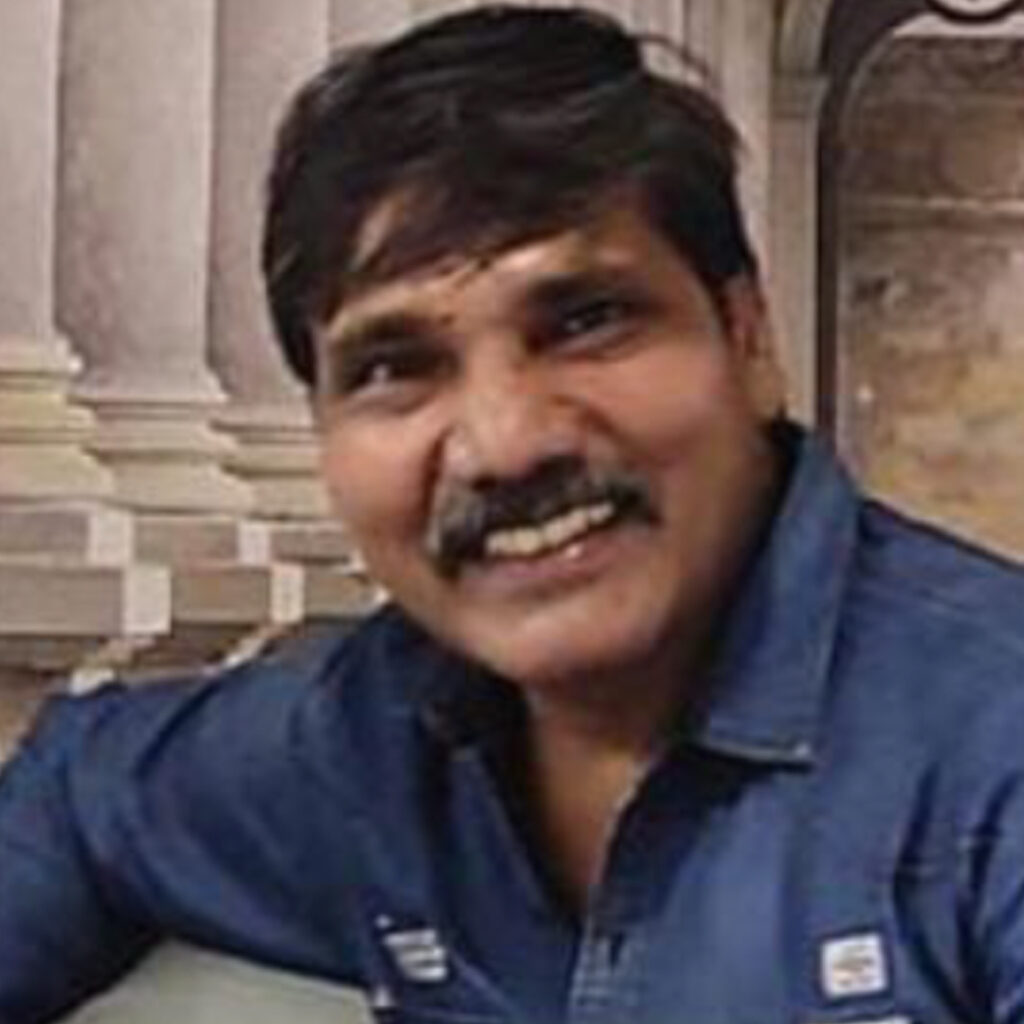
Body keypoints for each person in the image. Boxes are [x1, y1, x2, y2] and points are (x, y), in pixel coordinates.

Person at [3, 5, 1024, 1023]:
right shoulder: (367, 744)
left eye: (586, 321)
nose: (504, 444)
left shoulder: (986, 751)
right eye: (393, 368)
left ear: (748, 339)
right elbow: (77, 794)